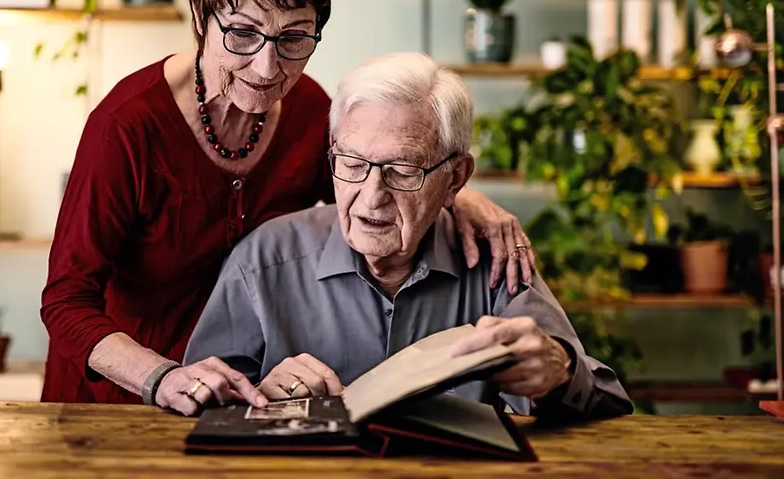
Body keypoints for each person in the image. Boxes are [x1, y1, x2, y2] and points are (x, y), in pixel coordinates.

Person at [40, 0, 536, 413]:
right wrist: (162, 377)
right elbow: (65, 301)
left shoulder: (310, 113)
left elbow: (375, 180)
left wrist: (459, 195)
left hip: (230, 397)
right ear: (199, 15)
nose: (267, 66)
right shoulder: (126, 127)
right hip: (113, 400)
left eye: (294, 38)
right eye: (242, 33)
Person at [183, 52, 633, 421]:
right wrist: (259, 398)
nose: (371, 197)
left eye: (403, 170)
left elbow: (607, 401)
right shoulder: (264, 260)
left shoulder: (494, 260)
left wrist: (558, 369)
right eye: (353, 164)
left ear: (455, 179)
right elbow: (197, 404)